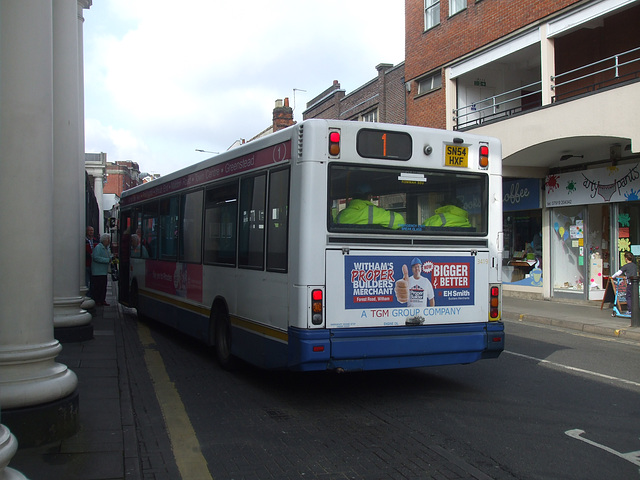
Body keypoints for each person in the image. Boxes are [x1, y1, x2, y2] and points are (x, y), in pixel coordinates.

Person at [336, 190, 404, 229]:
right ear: (369, 197)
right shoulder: (373, 211)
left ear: (353, 197)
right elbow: (399, 221)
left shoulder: (341, 214)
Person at [92, 233, 112, 306]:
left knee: (103, 287)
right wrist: (107, 260)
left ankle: (102, 300)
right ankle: (98, 300)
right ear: (104, 240)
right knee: (98, 287)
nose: (109, 242)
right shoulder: (98, 247)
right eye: (108, 240)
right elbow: (96, 257)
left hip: (103, 271)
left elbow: (109, 256)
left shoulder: (107, 248)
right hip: (98, 271)